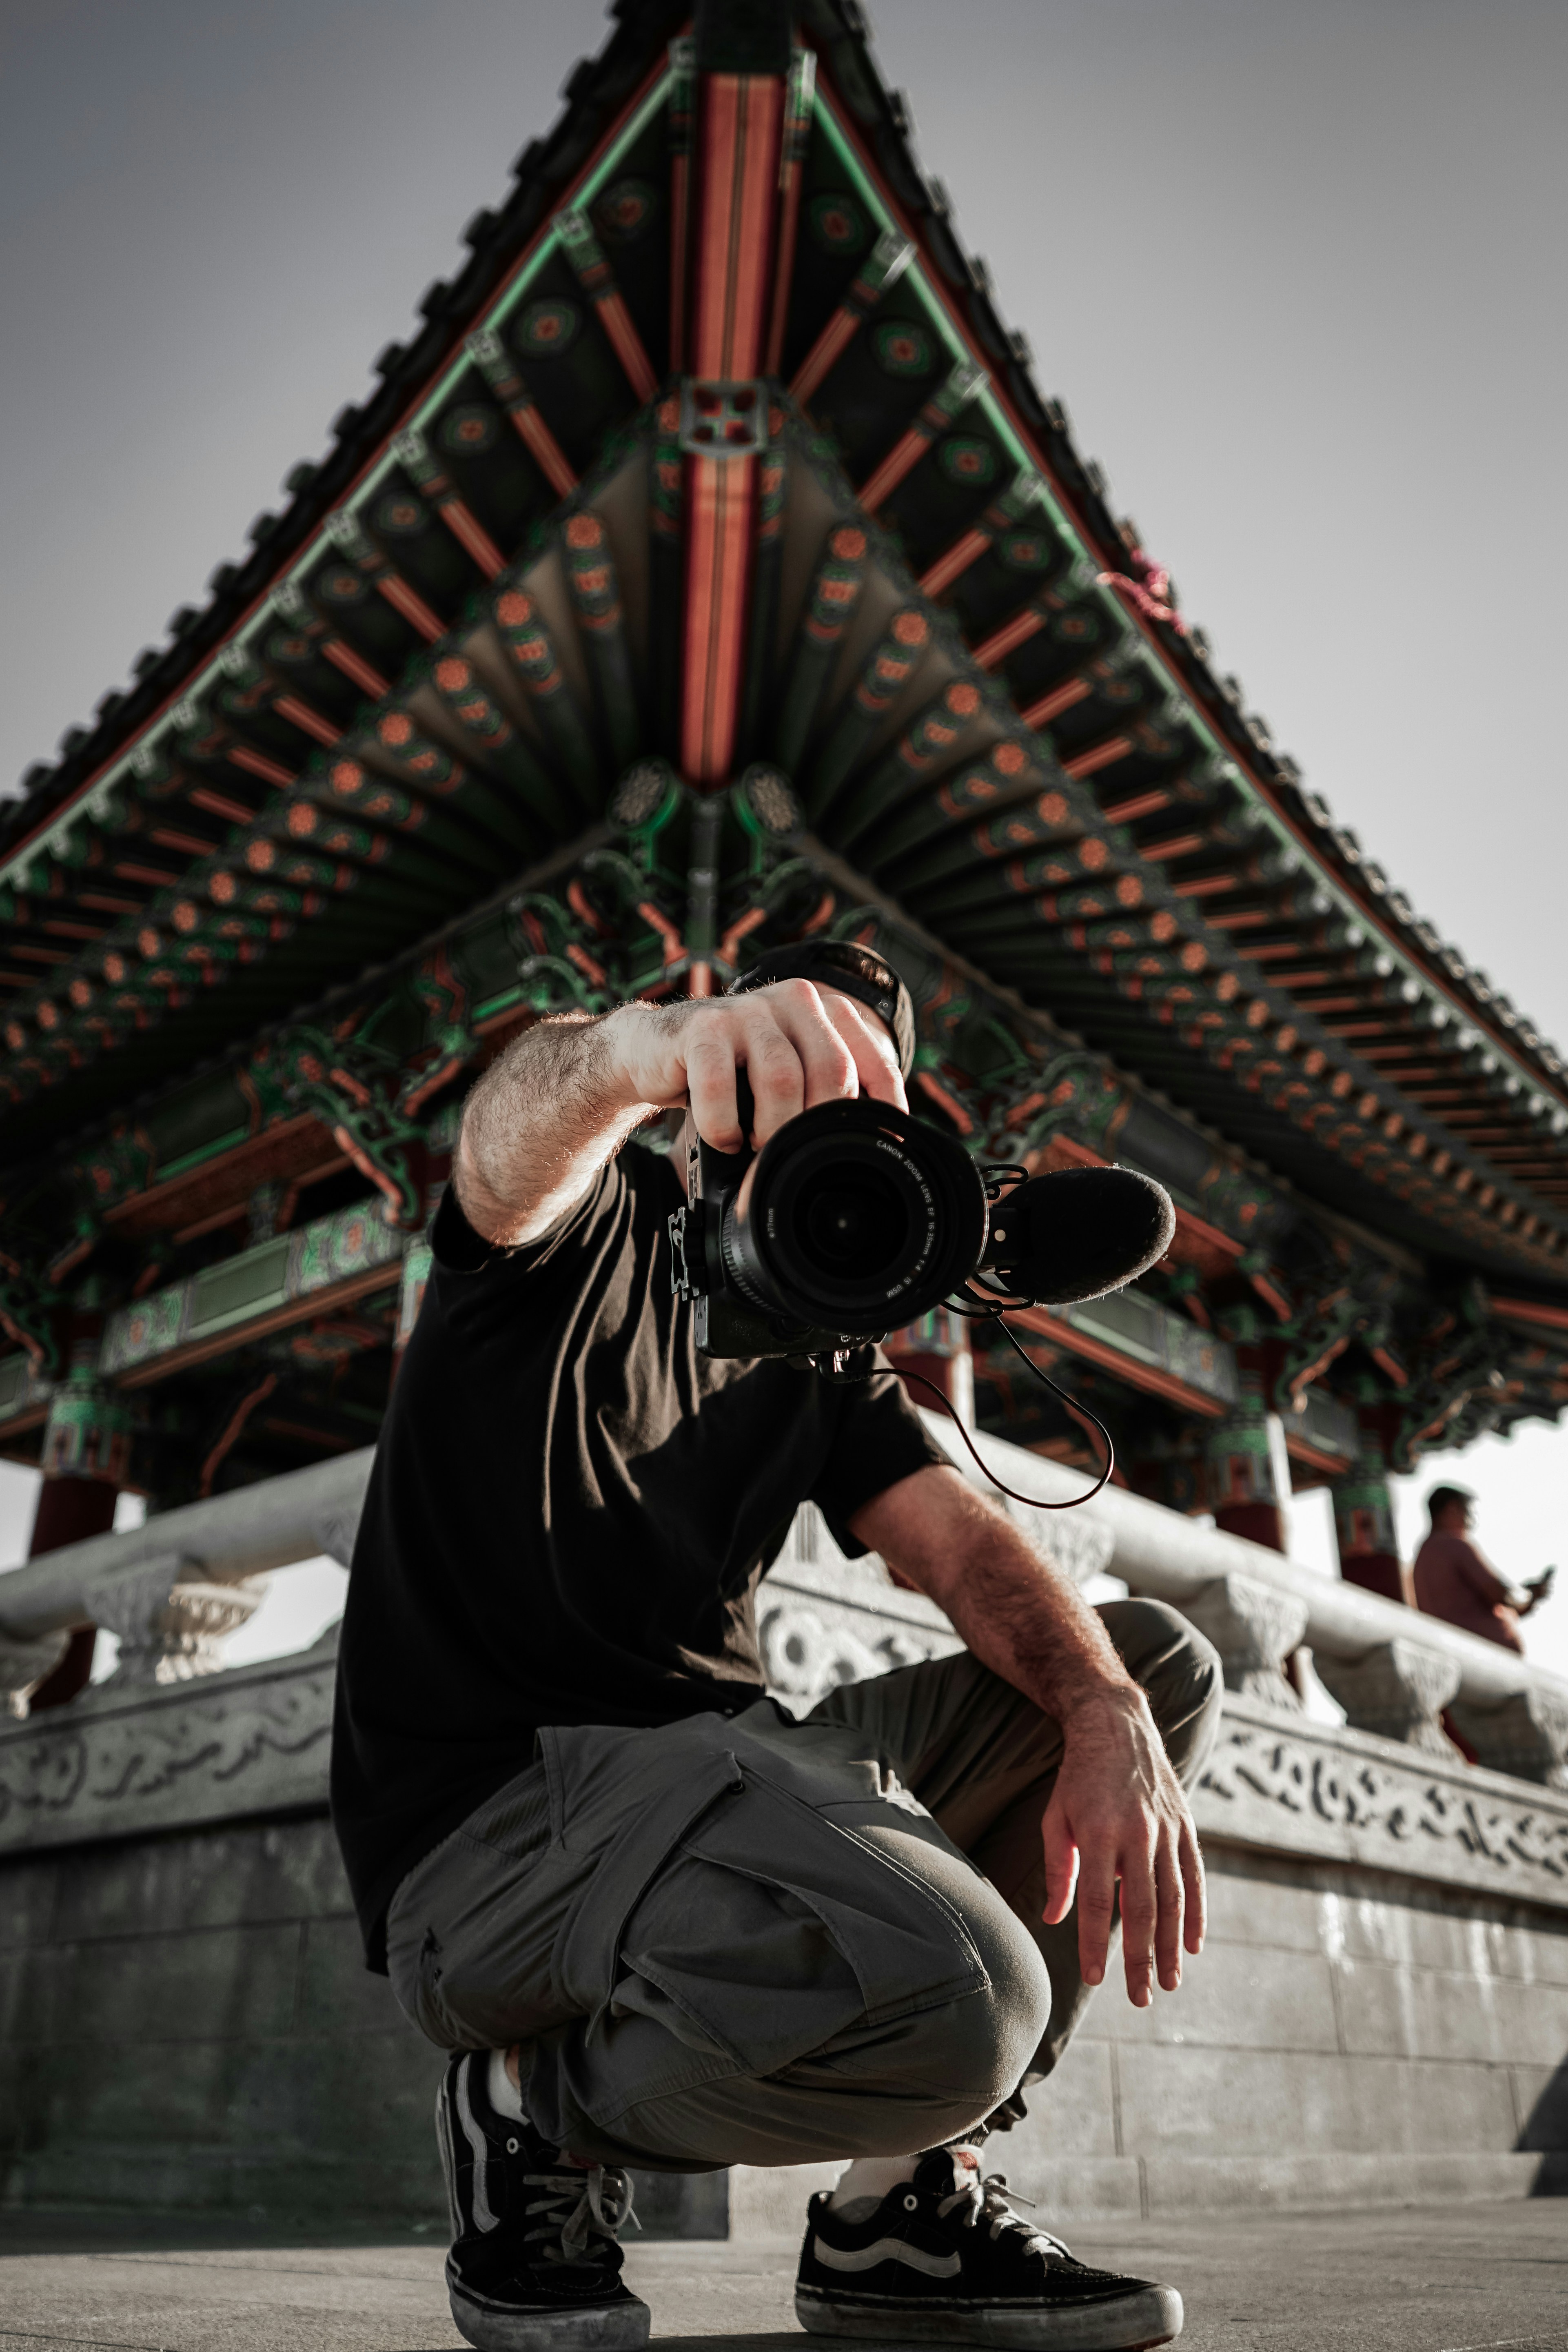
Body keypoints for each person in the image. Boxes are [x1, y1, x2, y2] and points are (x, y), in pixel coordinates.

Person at [330, 938, 1223, 2352]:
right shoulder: (577, 1218)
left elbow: (968, 1552)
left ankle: (900, 2211)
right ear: (709, 1100)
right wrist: (642, 1050)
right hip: (496, 1832)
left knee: (1144, 1664)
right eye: (776, 1088)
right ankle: (527, 2113)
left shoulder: (824, 1351)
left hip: (714, 1777)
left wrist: (1105, 1710)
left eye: (858, 1117)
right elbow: (503, 1142)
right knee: (972, 2002)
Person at [1412, 1484, 1555, 1654]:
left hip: (1454, 1651)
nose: (1471, 1519)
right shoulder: (1454, 1545)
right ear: (1452, 1509)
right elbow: (1500, 1594)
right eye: (1468, 1511)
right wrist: (1529, 1594)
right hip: (1484, 1657)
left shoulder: (1425, 1552)